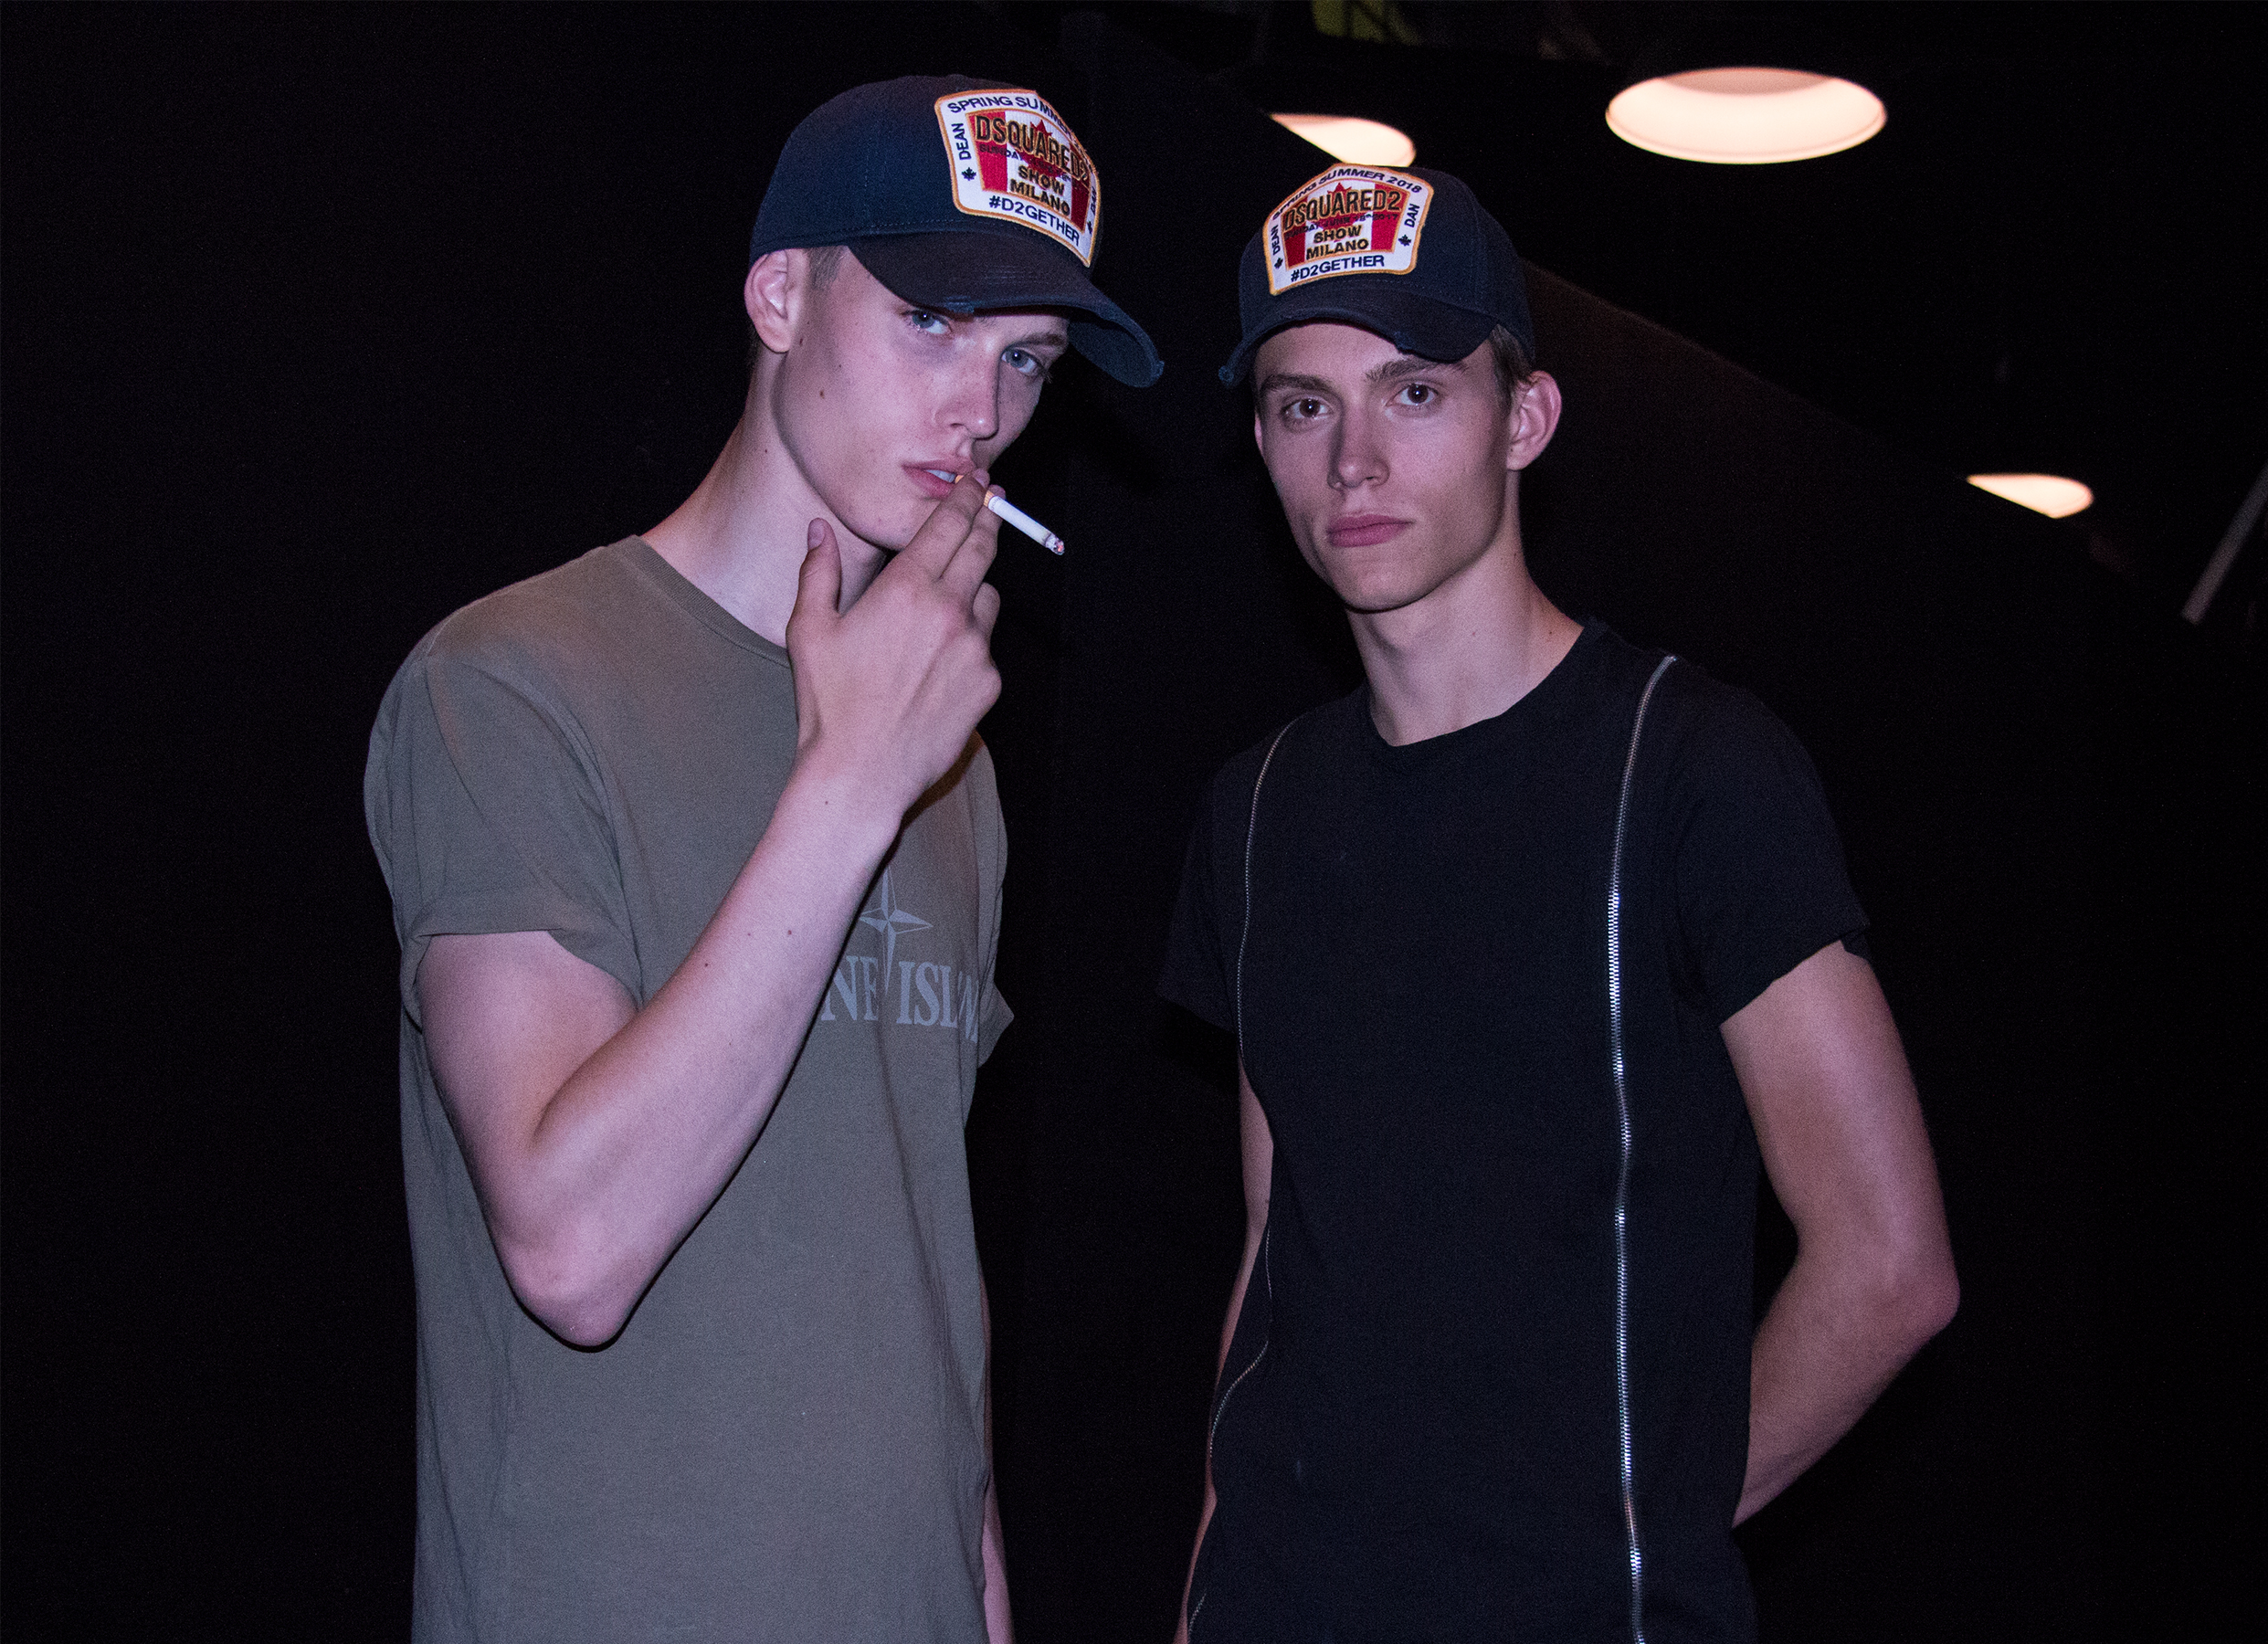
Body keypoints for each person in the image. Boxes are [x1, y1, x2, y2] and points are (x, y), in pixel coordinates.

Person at [364, 77, 1158, 1642]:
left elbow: (919, 1266)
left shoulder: (950, 757)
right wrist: (850, 782)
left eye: (1027, 359)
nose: (983, 412)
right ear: (781, 295)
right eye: (934, 323)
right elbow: (572, 1248)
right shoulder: (513, 684)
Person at [1160, 164, 1957, 1643]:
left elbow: (1891, 1265)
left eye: (1413, 394)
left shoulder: (1694, 771)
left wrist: (1637, 1528)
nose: (1353, 463)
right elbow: (1280, 1244)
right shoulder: (1256, 809)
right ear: (1260, 443)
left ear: (1523, 420)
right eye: (1302, 405)